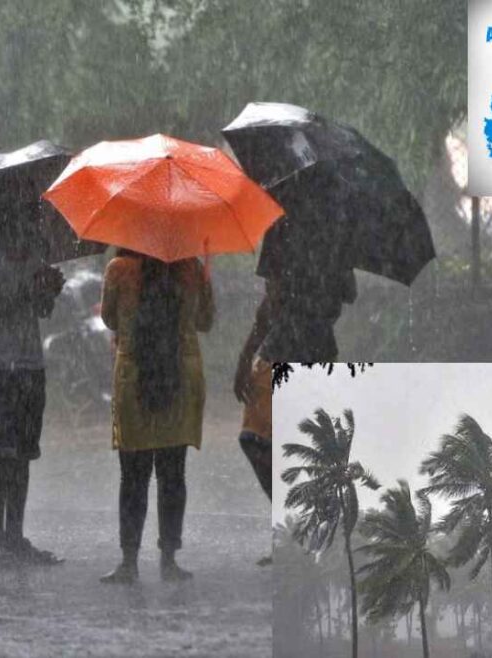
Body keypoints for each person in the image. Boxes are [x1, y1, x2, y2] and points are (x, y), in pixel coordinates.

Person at [233, 179, 357, 566]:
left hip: (286, 347)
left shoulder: (281, 229)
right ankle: (306, 532)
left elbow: (271, 302)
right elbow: (346, 295)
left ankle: (299, 531)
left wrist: (246, 353)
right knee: (302, 443)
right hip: (319, 347)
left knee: (257, 439)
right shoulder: (334, 235)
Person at [98, 248, 214, 584]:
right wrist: (205, 281)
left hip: (134, 376)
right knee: (172, 473)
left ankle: (129, 562)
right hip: (180, 376)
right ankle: (168, 559)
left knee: (133, 476)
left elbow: (109, 319)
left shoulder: (118, 268)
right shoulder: (190, 268)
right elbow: (204, 322)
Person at [0, 210, 65, 569]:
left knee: (21, 456)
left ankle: (16, 536)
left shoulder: (34, 250)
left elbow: (41, 310)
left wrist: (49, 291)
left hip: (28, 365)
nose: (28, 217)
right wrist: (27, 292)